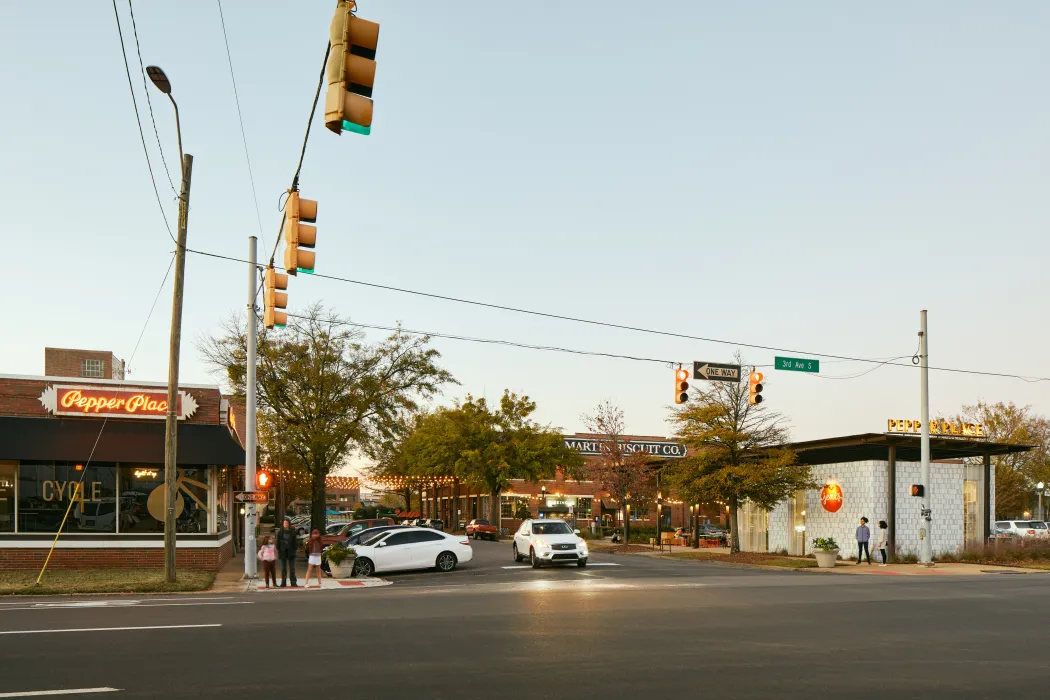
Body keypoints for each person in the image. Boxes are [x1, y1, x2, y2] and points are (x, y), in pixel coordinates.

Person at [276, 518, 299, 587]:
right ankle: (283, 582)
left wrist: (295, 549)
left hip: (291, 551)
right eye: (284, 523)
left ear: (289, 524)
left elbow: (295, 541)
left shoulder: (292, 531)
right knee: (283, 568)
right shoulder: (280, 532)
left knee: (292, 568)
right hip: (283, 551)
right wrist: (279, 549)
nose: (285, 524)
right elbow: (278, 542)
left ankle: (293, 582)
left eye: (286, 523)